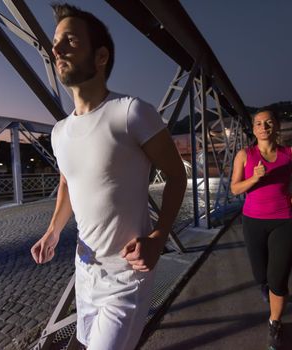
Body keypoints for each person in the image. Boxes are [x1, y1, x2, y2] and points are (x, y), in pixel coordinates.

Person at [30, 4, 187, 350]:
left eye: (70, 40)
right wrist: (53, 231)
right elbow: (69, 183)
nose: (56, 49)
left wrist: (159, 236)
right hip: (85, 270)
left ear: (101, 57)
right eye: (56, 42)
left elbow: (176, 176)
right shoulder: (59, 132)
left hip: (127, 275)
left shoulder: (131, 112)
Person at [230, 108, 292, 350]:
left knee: (278, 279)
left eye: (269, 122)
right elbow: (234, 189)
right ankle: (267, 287)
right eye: (259, 123)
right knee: (260, 276)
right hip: (253, 222)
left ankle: (275, 323)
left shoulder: (291, 153)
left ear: (277, 126)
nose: (263, 127)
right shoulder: (244, 155)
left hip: (286, 220)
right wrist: (254, 178)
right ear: (253, 129)